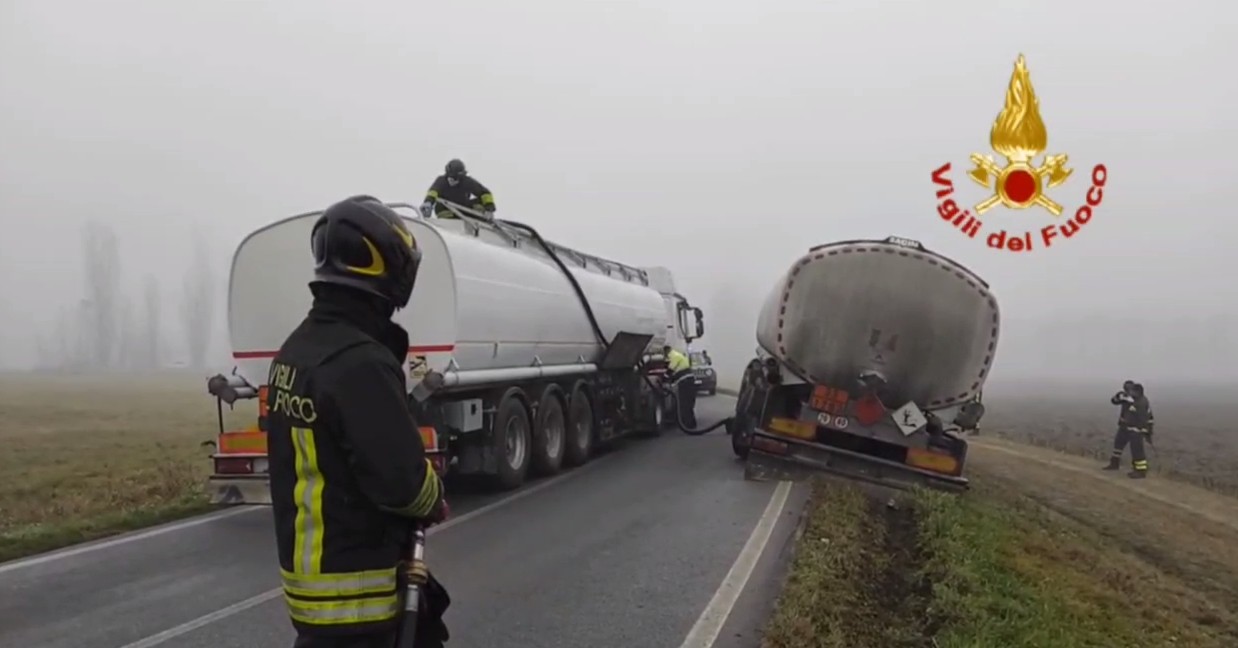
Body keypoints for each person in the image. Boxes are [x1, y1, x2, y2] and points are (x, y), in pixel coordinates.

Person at [266, 195, 450, 648]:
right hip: (358, 596)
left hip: (311, 594)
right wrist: (433, 496)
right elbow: (405, 485)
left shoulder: (295, 351)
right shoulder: (361, 362)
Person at [420, 158, 497, 219]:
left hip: (463, 209)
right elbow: (433, 192)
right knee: (440, 207)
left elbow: (485, 193)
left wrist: (489, 208)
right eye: (450, 177)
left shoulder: (467, 181)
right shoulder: (441, 180)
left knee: (480, 203)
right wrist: (428, 202)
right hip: (446, 210)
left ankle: (481, 220)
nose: (452, 180)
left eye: (455, 178)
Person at [1106, 381, 1153, 479]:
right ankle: (1114, 463)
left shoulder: (1140, 402)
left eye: (1129, 389)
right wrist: (1118, 396)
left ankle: (1140, 471)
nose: (1128, 391)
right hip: (1125, 427)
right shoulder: (1127, 398)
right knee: (1118, 445)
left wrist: (1145, 430)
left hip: (1136, 429)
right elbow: (1114, 401)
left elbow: (1144, 418)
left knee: (1137, 451)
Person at [665, 345, 697, 428]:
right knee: (689, 402)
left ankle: (688, 424)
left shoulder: (673, 355)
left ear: (667, 351)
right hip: (690, 379)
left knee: (684, 403)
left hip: (685, 381)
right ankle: (692, 423)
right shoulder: (679, 355)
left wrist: (665, 376)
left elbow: (671, 369)